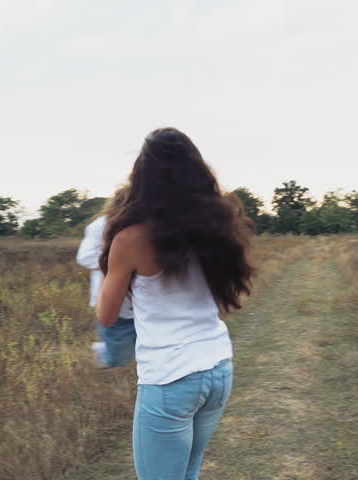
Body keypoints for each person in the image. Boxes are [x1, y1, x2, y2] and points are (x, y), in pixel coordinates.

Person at [96, 127, 255, 480]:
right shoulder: (217, 226)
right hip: (217, 367)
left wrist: (109, 266)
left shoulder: (131, 238)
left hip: (170, 376)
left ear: (142, 177)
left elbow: (106, 315)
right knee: (188, 473)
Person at [76, 215, 136, 368]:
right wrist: (122, 259)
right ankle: (104, 352)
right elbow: (85, 257)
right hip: (113, 300)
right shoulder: (100, 225)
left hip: (143, 299)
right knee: (117, 359)